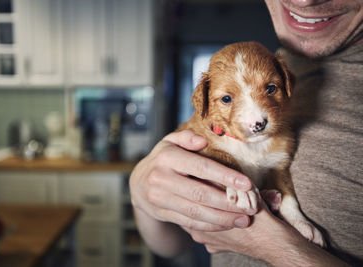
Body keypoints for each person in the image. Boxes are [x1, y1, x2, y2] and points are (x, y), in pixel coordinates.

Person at [129, 0, 363, 266]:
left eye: (271, 89)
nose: (304, 1)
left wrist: (274, 246)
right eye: (227, 99)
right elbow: (173, 243)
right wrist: (143, 196)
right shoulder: (282, 60)